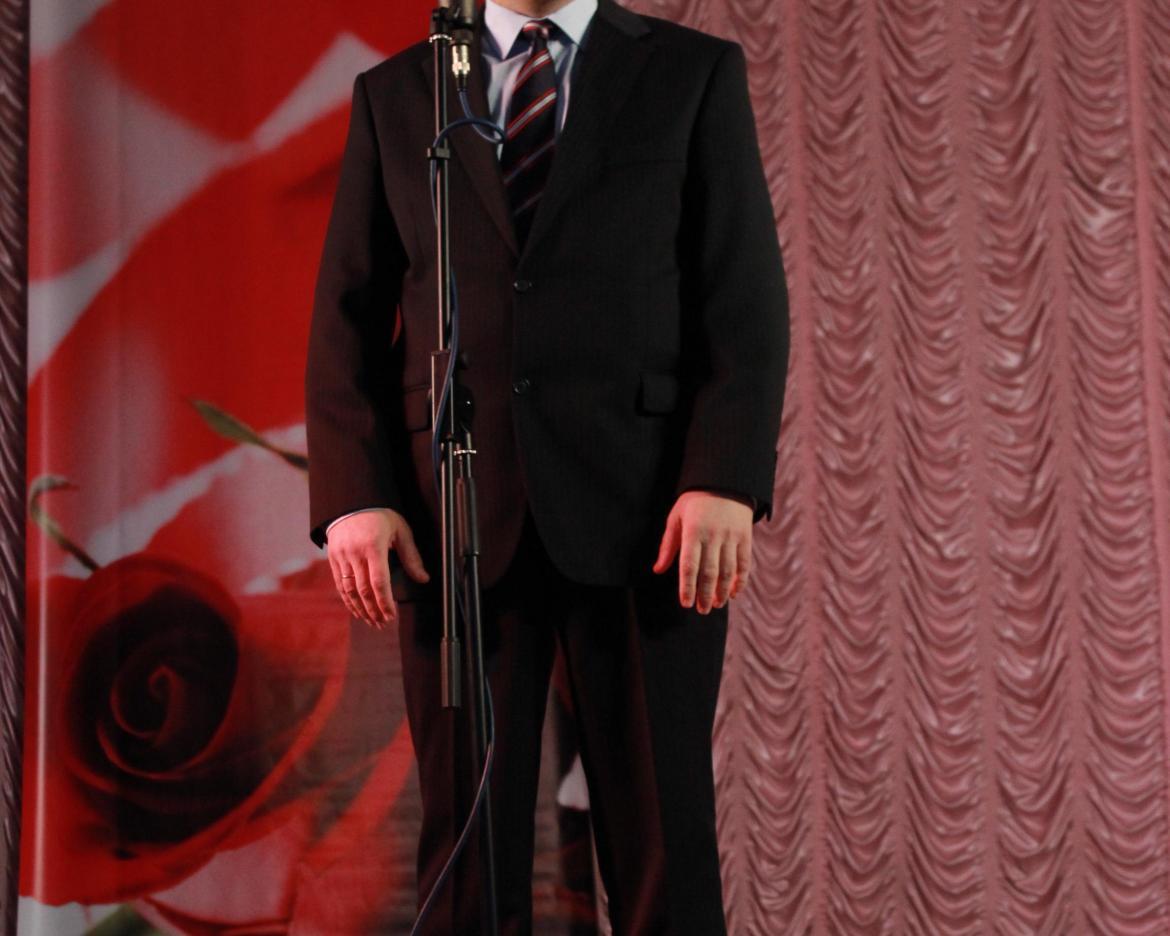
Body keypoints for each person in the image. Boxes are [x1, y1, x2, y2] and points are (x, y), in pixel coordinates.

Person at [304, 0, 789, 931]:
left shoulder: (691, 74)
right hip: (454, 516)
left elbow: (744, 296)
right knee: (468, 844)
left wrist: (723, 476)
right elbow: (346, 316)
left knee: (665, 838)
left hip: (652, 511)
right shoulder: (399, 93)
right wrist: (356, 495)